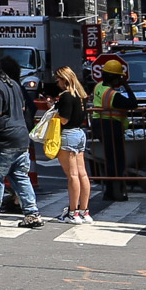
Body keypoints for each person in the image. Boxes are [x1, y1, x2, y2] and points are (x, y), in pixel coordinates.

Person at [0, 54, 42, 228]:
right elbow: (24, 108)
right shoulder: (14, 85)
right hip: (21, 138)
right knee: (20, 176)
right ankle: (32, 213)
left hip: (3, 140)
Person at [90, 58, 138, 201]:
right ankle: (114, 192)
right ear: (115, 78)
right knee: (117, 161)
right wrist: (127, 87)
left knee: (110, 159)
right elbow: (133, 104)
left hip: (99, 125)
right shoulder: (113, 95)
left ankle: (110, 191)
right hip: (110, 126)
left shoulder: (99, 86)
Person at [50, 66, 94, 225]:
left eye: (59, 79)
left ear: (65, 79)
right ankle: (84, 211)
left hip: (68, 134)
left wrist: (54, 111)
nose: (57, 82)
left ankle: (72, 213)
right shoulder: (81, 95)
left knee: (72, 176)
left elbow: (64, 119)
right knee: (82, 174)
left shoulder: (66, 96)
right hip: (80, 133)